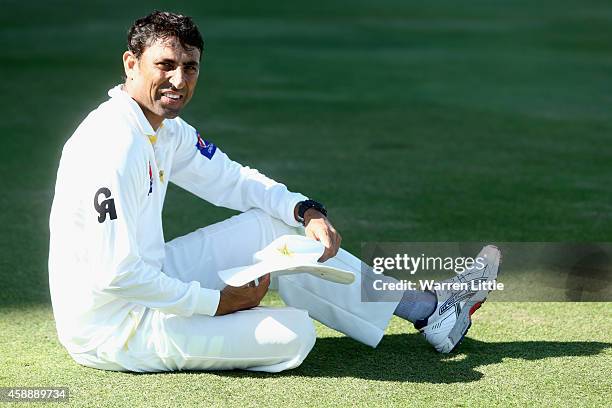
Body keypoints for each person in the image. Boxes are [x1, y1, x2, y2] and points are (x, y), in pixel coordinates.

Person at [48, 11, 500, 373]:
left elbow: (233, 179)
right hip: (113, 329)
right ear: (131, 64)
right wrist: (219, 303)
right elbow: (116, 275)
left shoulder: (164, 129)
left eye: (190, 67)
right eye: (165, 65)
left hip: (153, 277)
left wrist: (304, 210)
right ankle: (227, 322)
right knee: (296, 334)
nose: (179, 81)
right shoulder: (111, 143)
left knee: (275, 222)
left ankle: (431, 311)